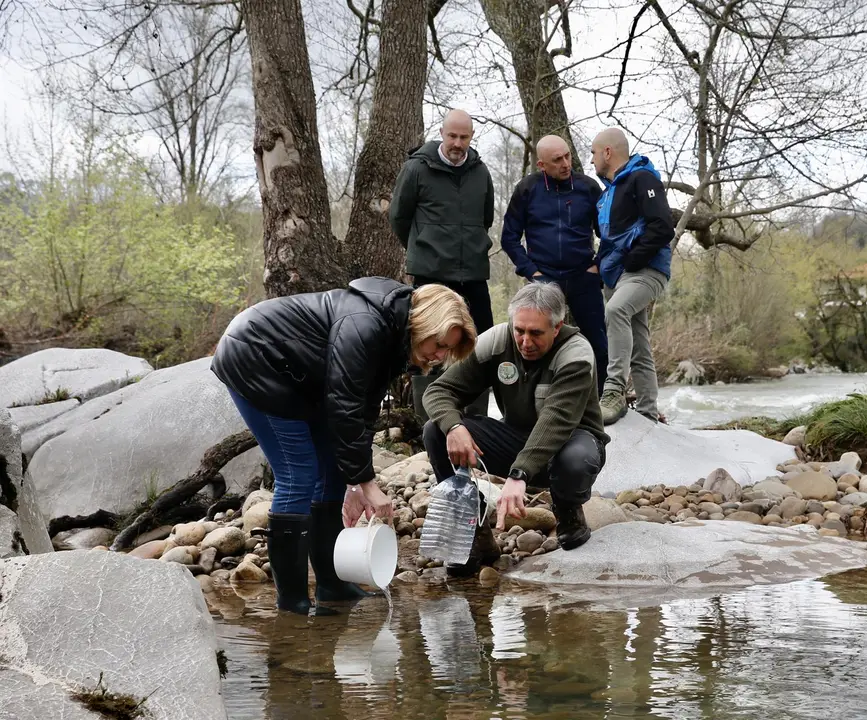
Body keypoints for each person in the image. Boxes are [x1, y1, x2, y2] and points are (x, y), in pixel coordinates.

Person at [211, 278, 476, 615]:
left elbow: (363, 411)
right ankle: (291, 605)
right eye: (438, 344)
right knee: (298, 473)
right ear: (425, 322)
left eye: (445, 351)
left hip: (300, 374)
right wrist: (367, 483)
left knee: (334, 474)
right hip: (256, 357)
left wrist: (354, 480)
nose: (438, 356)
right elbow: (345, 405)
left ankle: (332, 586)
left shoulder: (395, 333)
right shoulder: (365, 325)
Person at [422, 282, 609, 575]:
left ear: (557, 327)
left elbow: (555, 421)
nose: (525, 341)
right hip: (516, 439)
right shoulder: (496, 341)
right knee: (436, 430)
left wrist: (518, 475)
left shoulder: (577, 353)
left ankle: (569, 513)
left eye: (536, 333)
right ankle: (471, 529)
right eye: (519, 330)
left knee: (575, 459)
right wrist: (455, 426)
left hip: (570, 444)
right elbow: (438, 391)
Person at [390, 108, 495, 420]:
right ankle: (429, 425)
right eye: (452, 136)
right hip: (431, 273)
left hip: (473, 271)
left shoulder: (481, 172)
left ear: (471, 137)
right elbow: (399, 217)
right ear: (442, 133)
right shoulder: (417, 168)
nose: (457, 143)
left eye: (464, 137)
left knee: (480, 342)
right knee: (427, 343)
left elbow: (485, 218)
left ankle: (474, 420)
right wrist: (423, 247)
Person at [500, 134, 607, 395]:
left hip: (583, 276)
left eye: (567, 156)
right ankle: (535, 399)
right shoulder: (527, 189)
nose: (566, 163)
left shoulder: (589, 188)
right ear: (542, 165)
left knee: (598, 343)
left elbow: (610, 232)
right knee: (536, 340)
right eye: (557, 160)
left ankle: (602, 398)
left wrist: (598, 265)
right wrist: (532, 272)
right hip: (544, 279)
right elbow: (509, 238)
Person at [590, 128, 675, 425]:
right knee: (639, 342)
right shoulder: (609, 193)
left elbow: (663, 226)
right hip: (619, 276)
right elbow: (612, 239)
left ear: (608, 153)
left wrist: (632, 259)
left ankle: (613, 391)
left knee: (616, 311)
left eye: (593, 152)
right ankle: (649, 413)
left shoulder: (643, 178)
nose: (591, 160)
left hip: (647, 271)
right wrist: (599, 264)